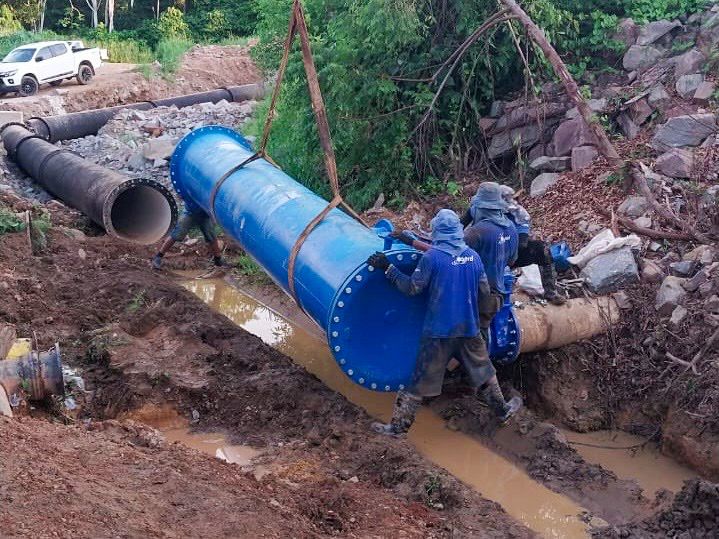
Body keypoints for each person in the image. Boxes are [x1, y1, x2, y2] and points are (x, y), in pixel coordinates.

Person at [367, 209, 522, 437]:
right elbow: (484, 293)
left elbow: (412, 288)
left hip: (439, 331)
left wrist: (388, 269)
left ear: (437, 231)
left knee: (419, 380)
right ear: (458, 232)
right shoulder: (473, 257)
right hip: (469, 328)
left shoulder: (432, 258)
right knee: (484, 370)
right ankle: (502, 410)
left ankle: (398, 428)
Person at [461, 182, 519, 338]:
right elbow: (511, 261)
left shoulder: (476, 232)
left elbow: (455, 261)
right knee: (482, 337)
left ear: (480, 208)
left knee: (477, 343)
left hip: (475, 297)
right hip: (497, 295)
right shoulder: (511, 228)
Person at [500, 185, 566, 305]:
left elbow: (522, 243)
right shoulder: (485, 211)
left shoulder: (519, 214)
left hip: (511, 252)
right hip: (490, 252)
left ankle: (551, 292)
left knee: (542, 249)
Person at [152, 207, 224, 270]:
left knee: (211, 236)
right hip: (190, 212)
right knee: (176, 234)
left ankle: (218, 260)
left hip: (204, 215)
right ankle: (158, 256)